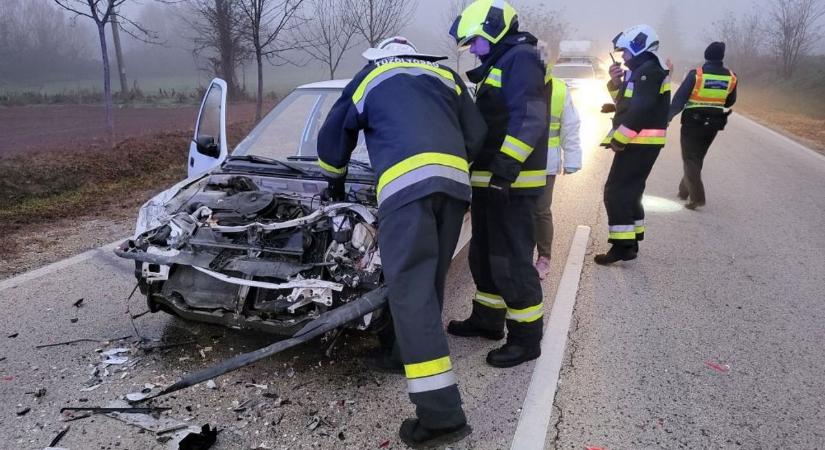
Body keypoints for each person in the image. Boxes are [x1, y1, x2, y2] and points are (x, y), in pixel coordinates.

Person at [316, 36, 486, 448]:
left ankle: (441, 415)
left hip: (406, 191)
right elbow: (477, 132)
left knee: (410, 290)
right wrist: (448, 165)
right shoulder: (446, 75)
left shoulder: (371, 74)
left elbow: (335, 136)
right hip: (454, 187)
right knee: (426, 284)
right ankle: (399, 351)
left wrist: (334, 180)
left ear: (381, 54)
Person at [446, 0, 549, 368]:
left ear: (492, 28)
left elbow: (529, 118)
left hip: (512, 185)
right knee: (484, 255)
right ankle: (488, 319)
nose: (472, 49)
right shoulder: (502, 62)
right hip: (492, 183)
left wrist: (504, 172)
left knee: (511, 262)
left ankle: (526, 339)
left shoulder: (520, 59)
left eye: (475, 41)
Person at [595, 24, 672, 266]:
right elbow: (627, 103)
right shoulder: (644, 70)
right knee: (631, 191)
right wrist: (614, 83)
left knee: (615, 191)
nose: (623, 58)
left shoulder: (648, 71)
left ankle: (622, 246)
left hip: (639, 142)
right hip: (642, 142)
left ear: (638, 47)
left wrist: (620, 138)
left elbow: (640, 109)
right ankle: (632, 240)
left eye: (625, 52)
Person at [669, 42, 738, 210]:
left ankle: (697, 197)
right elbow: (730, 101)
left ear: (706, 56)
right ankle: (683, 191)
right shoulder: (731, 76)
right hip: (714, 124)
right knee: (697, 157)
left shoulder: (697, 75)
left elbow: (679, 99)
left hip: (693, 121)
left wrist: (667, 117)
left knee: (690, 158)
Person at [534, 71, 583, 279]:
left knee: (541, 211)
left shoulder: (560, 89)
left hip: (546, 162)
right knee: (519, 212)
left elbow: (570, 127)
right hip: (516, 160)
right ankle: (520, 257)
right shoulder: (515, 80)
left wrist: (572, 159)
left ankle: (544, 257)